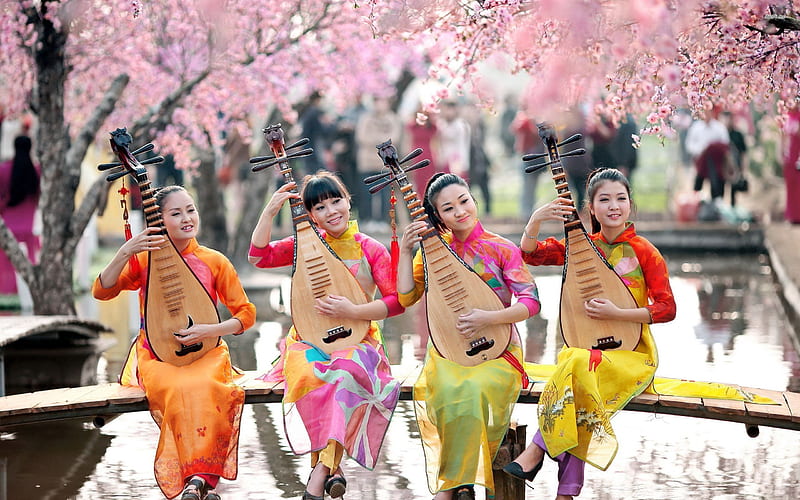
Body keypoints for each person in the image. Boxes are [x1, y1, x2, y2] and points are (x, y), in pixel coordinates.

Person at [505, 167, 676, 499]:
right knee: (580, 370)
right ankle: (565, 493)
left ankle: (538, 450)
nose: (614, 206)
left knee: (577, 370)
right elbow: (530, 254)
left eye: (621, 199)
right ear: (591, 209)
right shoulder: (580, 247)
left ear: (630, 204)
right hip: (588, 357)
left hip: (632, 355)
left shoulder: (644, 251)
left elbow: (667, 308)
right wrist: (537, 218)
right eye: (605, 200)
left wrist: (618, 313)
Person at [92, 185, 256, 500]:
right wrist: (127, 250)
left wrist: (209, 330)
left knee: (209, 386)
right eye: (176, 213)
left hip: (207, 353)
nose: (186, 218)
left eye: (190, 210)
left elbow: (246, 315)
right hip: (157, 356)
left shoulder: (214, 261)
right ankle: (199, 483)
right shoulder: (144, 260)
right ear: (160, 220)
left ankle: (196, 481)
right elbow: (102, 291)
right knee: (180, 390)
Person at [249, 171, 404, 500]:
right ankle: (333, 468)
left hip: (359, 341)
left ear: (349, 200)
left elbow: (396, 302)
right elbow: (258, 256)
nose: (332, 211)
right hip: (308, 340)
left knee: (345, 372)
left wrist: (354, 311)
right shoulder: (303, 245)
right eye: (320, 207)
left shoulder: (369, 248)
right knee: (309, 375)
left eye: (337, 201)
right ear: (309, 214)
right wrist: (270, 210)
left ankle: (321, 470)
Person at [397, 173, 541, 500]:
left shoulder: (501, 248)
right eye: (448, 208)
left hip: (500, 348)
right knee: (449, 389)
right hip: (449, 350)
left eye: (464, 201)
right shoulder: (434, 252)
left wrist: (490, 317)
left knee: (475, 387)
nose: (460, 211)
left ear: (473, 199)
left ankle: (451, 488)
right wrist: (406, 252)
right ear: (437, 216)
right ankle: (461, 484)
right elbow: (406, 297)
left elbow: (531, 302)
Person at [0, 135, 40, 294]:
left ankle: (6, 290)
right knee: (27, 261)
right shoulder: (36, 171)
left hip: (8, 227)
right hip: (28, 226)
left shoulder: (3, 170)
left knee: (5, 263)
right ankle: (26, 292)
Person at [685, 108, 730, 203]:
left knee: (717, 182)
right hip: (701, 161)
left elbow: (725, 144)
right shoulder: (696, 127)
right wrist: (701, 150)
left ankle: (718, 203)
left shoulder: (719, 127)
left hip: (717, 163)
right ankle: (696, 203)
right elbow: (689, 145)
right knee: (698, 182)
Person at [782, 108, 800, 224]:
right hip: (789, 157)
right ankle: (792, 215)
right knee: (790, 186)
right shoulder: (785, 116)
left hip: (798, 155)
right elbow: (782, 136)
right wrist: (781, 153)